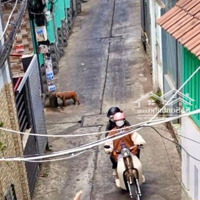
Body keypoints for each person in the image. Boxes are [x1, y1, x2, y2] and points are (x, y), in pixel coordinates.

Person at [104, 112, 146, 186]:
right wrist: (109, 149)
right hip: (118, 153)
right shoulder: (112, 132)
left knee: (137, 163)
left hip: (130, 150)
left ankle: (140, 174)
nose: (119, 122)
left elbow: (136, 136)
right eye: (117, 121)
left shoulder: (129, 129)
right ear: (115, 121)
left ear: (123, 120)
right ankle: (117, 177)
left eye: (120, 120)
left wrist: (139, 143)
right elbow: (108, 141)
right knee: (115, 162)